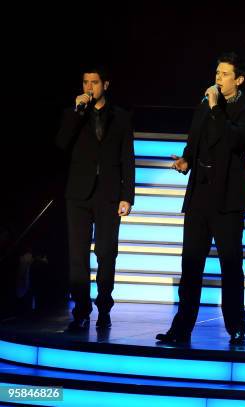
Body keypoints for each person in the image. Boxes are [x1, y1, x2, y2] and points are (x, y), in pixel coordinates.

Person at [156, 52, 245, 346]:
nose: (218, 78)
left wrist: (216, 109)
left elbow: (233, 141)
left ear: (238, 80)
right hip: (200, 195)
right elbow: (196, 139)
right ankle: (181, 328)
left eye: (225, 74)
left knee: (230, 266)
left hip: (229, 199)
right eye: (217, 73)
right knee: (190, 265)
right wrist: (186, 160)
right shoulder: (205, 104)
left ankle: (236, 328)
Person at [56, 66, 135, 330]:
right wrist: (77, 114)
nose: (89, 87)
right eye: (85, 82)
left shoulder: (121, 117)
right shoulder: (73, 115)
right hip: (78, 194)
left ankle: (104, 306)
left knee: (105, 252)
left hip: (109, 194)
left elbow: (128, 158)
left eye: (94, 82)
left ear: (105, 84)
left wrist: (128, 196)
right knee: (77, 255)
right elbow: (61, 144)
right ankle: (80, 310)